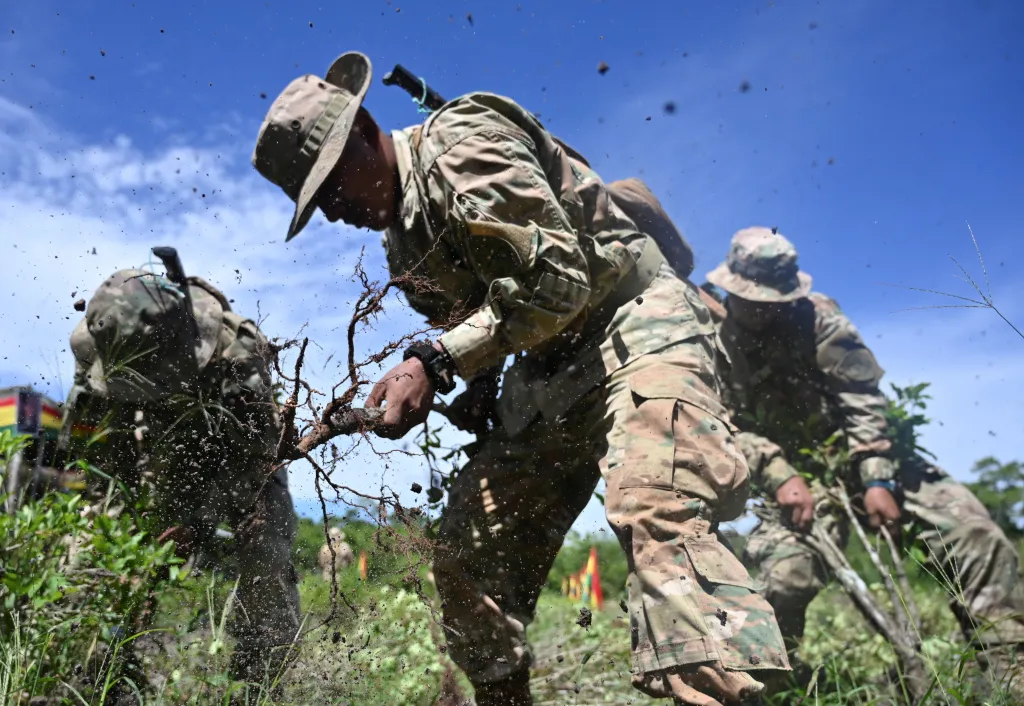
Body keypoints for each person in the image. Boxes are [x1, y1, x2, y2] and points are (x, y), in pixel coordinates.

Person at [252, 51, 790, 706]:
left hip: (634, 327)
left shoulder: (463, 141)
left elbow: (556, 281)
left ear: (365, 132)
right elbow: (494, 323)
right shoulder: (404, 248)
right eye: (317, 205)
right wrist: (470, 390)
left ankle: (726, 690)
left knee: (657, 513)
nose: (334, 213)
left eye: (332, 187)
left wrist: (437, 362)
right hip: (548, 374)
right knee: (467, 561)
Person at [705, 226, 1024, 687]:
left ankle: (1008, 675)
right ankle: (770, 685)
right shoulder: (710, 338)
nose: (760, 310)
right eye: (750, 299)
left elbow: (862, 401)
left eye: (770, 301)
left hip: (865, 457)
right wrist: (778, 473)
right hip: (794, 479)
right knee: (785, 576)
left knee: (976, 534)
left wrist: (877, 478)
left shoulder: (820, 319)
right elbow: (722, 424)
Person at [60, 264, 301, 687]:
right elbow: (97, 455)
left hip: (236, 458)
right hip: (150, 446)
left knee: (266, 556)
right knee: (93, 549)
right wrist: (127, 521)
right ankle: (96, 673)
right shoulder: (102, 340)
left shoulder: (238, 357)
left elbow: (256, 463)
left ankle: (261, 685)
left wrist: (195, 520)